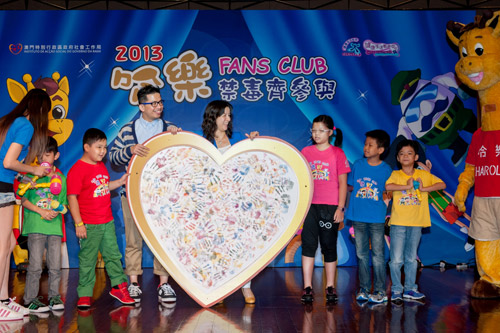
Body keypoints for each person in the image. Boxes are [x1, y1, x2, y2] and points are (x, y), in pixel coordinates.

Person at [109, 84, 180, 304]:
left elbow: (181, 159)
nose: (159, 106)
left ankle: (164, 284)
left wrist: (176, 139)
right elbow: (113, 157)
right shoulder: (128, 130)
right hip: (131, 193)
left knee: (163, 239)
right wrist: (129, 151)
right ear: (142, 106)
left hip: (162, 196)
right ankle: (133, 283)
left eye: (160, 102)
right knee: (133, 239)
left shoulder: (169, 128)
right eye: (154, 103)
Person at [67, 128, 134, 309]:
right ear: (86, 147)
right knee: (88, 260)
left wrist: (119, 182)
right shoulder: (77, 170)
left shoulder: (101, 166)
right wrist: (79, 223)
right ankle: (85, 294)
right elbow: (72, 198)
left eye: (104, 147)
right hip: (89, 225)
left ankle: (119, 287)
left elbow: (104, 186)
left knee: (113, 255)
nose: (103, 151)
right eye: (98, 147)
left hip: (107, 222)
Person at [201, 100, 259, 303]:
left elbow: (248, 165)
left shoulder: (237, 139)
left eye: (229, 115)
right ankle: (218, 289)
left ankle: (246, 287)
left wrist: (253, 143)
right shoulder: (202, 141)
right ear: (213, 116)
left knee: (241, 244)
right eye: (223, 115)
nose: (227, 119)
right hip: (212, 205)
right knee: (215, 246)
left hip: (236, 203)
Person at [0, 88, 51, 320]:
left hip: (4, 184)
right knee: (2, 248)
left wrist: (24, 176)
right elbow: (9, 162)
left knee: (9, 244)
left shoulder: (9, 121)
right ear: (41, 110)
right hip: (1, 188)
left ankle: (3, 300)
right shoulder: (25, 125)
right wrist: (33, 169)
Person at [385, 139, 446, 303]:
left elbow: (442, 184)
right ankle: (397, 289)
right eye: (402, 154)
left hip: (416, 222)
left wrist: (425, 188)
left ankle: (410, 289)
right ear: (397, 158)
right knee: (396, 259)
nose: (405, 156)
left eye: (409, 153)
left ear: (416, 157)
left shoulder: (423, 175)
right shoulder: (396, 174)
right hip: (398, 222)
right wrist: (405, 186)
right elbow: (388, 187)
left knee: (411, 258)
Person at [300, 115, 350, 304]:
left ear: (330, 132)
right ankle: (307, 287)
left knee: (329, 246)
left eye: (321, 130)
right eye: (313, 130)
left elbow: (343, 184)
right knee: (308, 245)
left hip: (330, 207)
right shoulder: (306, 151)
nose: (316, 134)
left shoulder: (337, 153)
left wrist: (340, 208)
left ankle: (330, 286)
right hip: (310, 206)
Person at [20, 136, 67, 313]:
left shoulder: (61, 178)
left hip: (54, 227)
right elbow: (23, 199)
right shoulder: (30, 173)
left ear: (56, 156)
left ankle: (54, 297)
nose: (42, 159)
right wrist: (41, 211)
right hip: (35, 225)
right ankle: (29, 300)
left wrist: (57, 209)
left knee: (55, 265)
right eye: (39, 155)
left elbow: (64, 205)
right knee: (35, 266)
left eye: (47, 155)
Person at [345, 130, 392, 304]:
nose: (366, 147)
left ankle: (380, 290)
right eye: (365, 144)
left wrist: (385, 205)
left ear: (380, 150)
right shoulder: (358, 164)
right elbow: (350, 186)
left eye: (370, 145)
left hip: (377, 219)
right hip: (358, 217)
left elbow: (389, 193)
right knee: (362, 254)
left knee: (378, 255)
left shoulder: (386, 170)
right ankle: (364, 288)